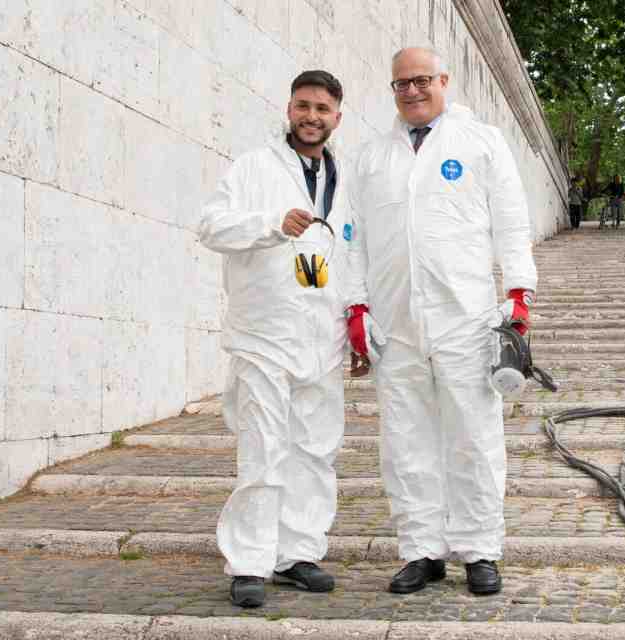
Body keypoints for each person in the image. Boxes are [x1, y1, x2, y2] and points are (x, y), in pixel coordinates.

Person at [345, 47, 538, 596]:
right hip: (397, 322)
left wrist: (519, 294)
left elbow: (511, 220)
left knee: (473, 437)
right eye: (401, 83)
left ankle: (480, 549)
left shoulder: (480, 143)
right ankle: (421, 551)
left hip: (466, 320)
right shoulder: (372, 157)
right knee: (406, 441)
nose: (411, 90)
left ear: (443, 81)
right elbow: (352, 237)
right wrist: (356, 305)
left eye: (421, 80)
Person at [198, 70, 350, 608]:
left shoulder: (344, 177)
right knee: (263, 448)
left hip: (323, 335)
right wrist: (270, 224)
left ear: (337, 116)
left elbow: (356, 253)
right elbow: (210, 225)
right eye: (303, 106)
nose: (312, 117)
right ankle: (250, 561)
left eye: (323, 109)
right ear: (289, 108)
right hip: (264, 332)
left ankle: (297, 554)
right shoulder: (254, 167)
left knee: (315, 448)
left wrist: (356, 322)